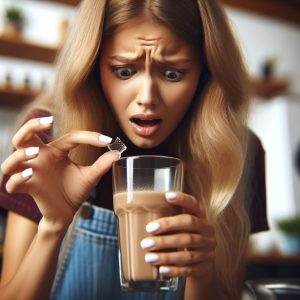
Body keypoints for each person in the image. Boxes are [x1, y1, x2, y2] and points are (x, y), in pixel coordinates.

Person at [0, 0, 268, 299]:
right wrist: (52, 226)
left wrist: (202, 277)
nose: (147, 98)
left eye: (172, 74)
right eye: (124, 71)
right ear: (92, 66)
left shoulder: (240, 153)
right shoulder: (48, 140)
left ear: (206, 73)